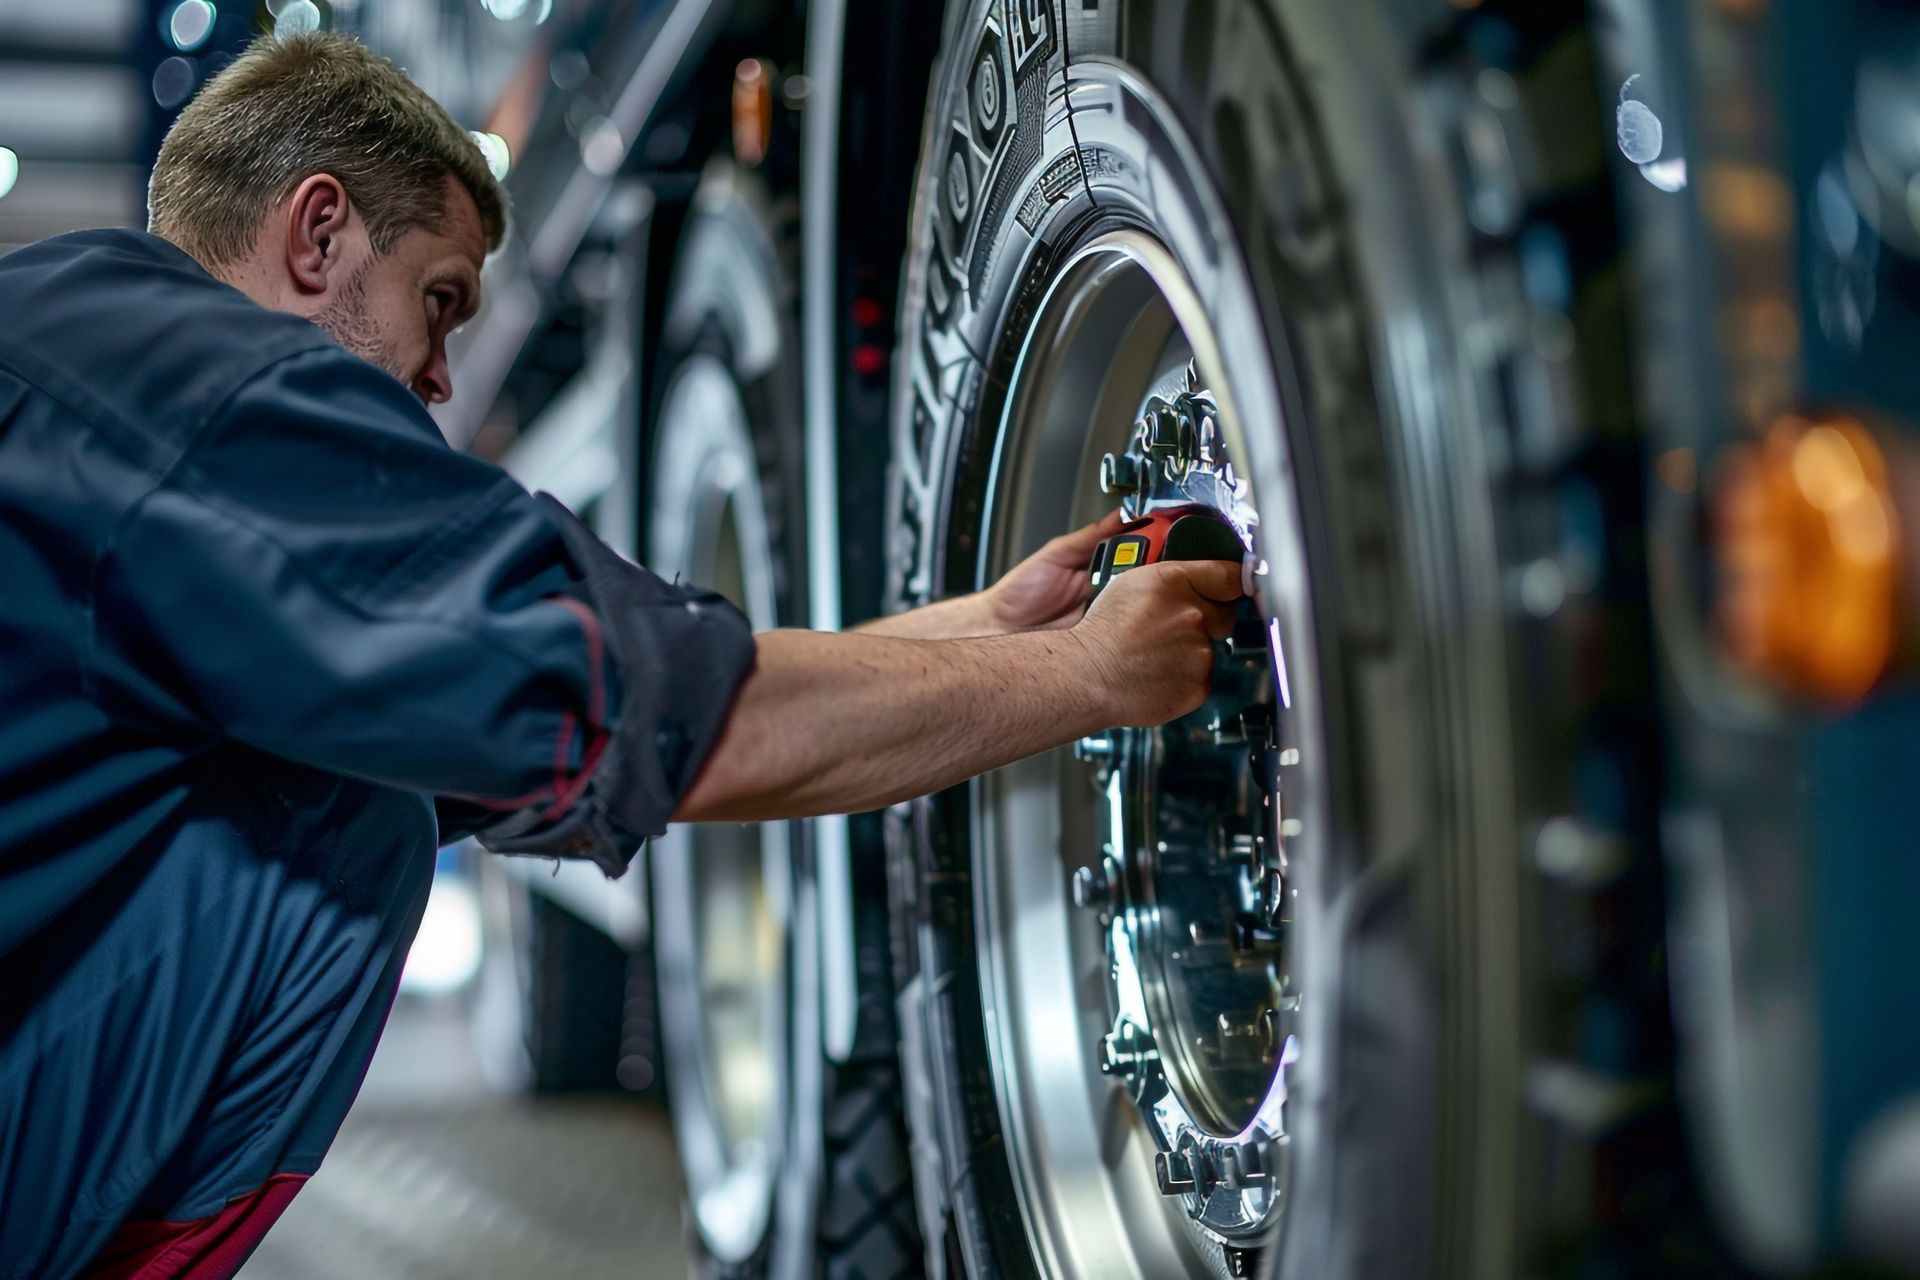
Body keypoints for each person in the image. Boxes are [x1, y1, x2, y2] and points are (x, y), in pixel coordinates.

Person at [0, 31, 1244, 1279]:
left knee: (357, 793)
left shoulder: (85, 364)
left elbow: (643, 691)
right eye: (438, 301)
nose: (442, 380)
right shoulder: (190, 392)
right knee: (346, 843)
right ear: (316, 234)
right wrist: (1089, 678)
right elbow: (644, 718)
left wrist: (991, 623)